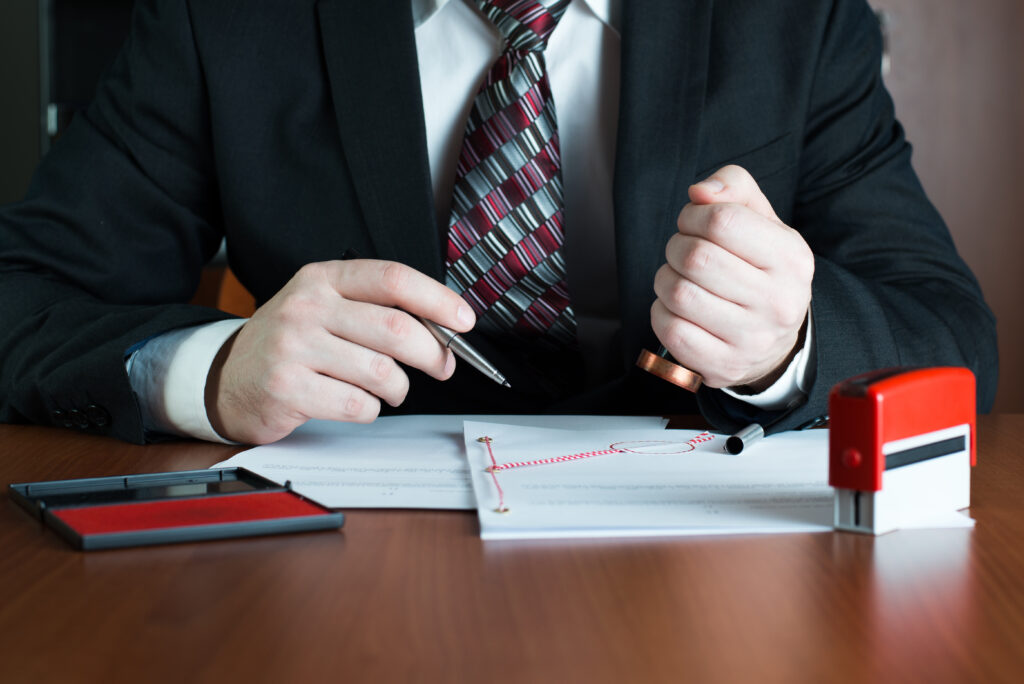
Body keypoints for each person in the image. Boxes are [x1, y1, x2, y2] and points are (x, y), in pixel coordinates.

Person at [0, 0, 998, 446]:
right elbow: (23, 296)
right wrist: (215, 373)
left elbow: (950, 338)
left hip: (712, 581)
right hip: (331, 584)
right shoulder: (224, 18)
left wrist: (791, 343)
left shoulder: (793, 17)